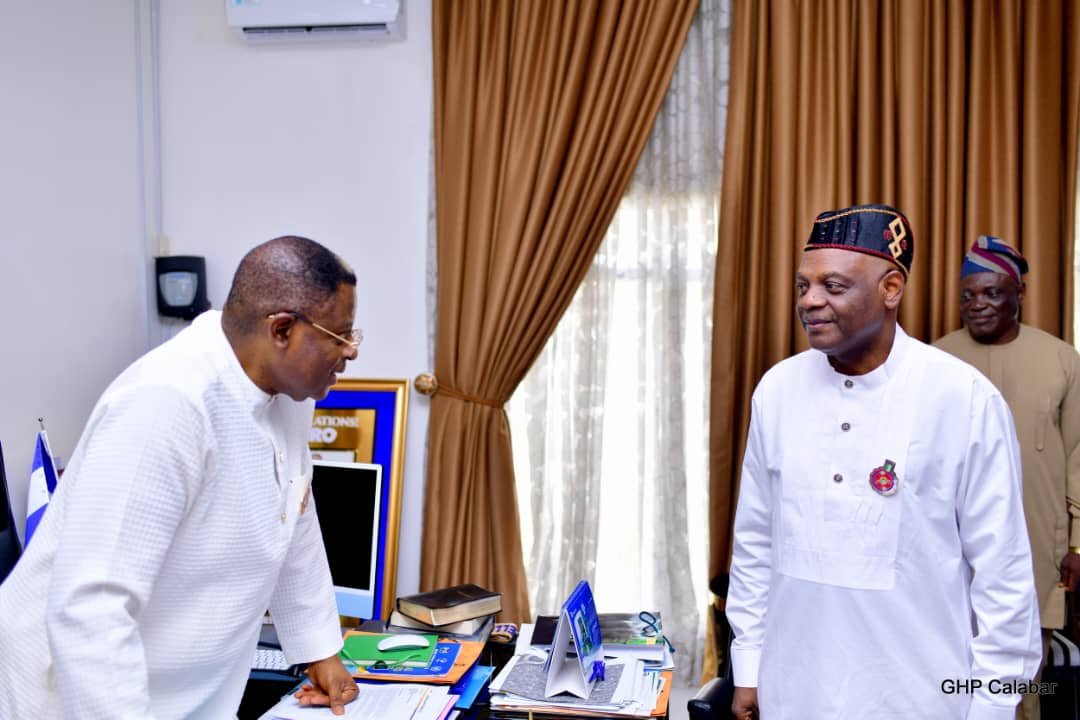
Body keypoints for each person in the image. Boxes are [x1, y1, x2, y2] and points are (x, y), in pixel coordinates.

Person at [0, 236, 363, 718]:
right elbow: (93, 609)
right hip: (78, 696)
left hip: (186, 688)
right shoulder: (167, 402)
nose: (351, 351)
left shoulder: (289, 396)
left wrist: (318, 649)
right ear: (281, 330)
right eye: (340, 337)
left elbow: (294, 519)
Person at [727, 205, 1041, 720]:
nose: (810, 302)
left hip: (920, 699)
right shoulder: (777, 389)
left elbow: (1002, 574)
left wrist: (991, 705)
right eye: (803, 286)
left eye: (833, 285)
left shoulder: (962, 399)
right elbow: (756, 541)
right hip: (792, 689)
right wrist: (750, 666)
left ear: (891, 288)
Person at [935, 235, 1080, 720]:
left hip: (1038, 541)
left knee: (1023, 675)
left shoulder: (1061, 359)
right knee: (950, 665)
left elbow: (1078, 455)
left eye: (992, 293)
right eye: (968, 295)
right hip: (950, 541)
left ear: (1019, 293)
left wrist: (1077, 543)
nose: (977, 305)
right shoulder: (936, 360)